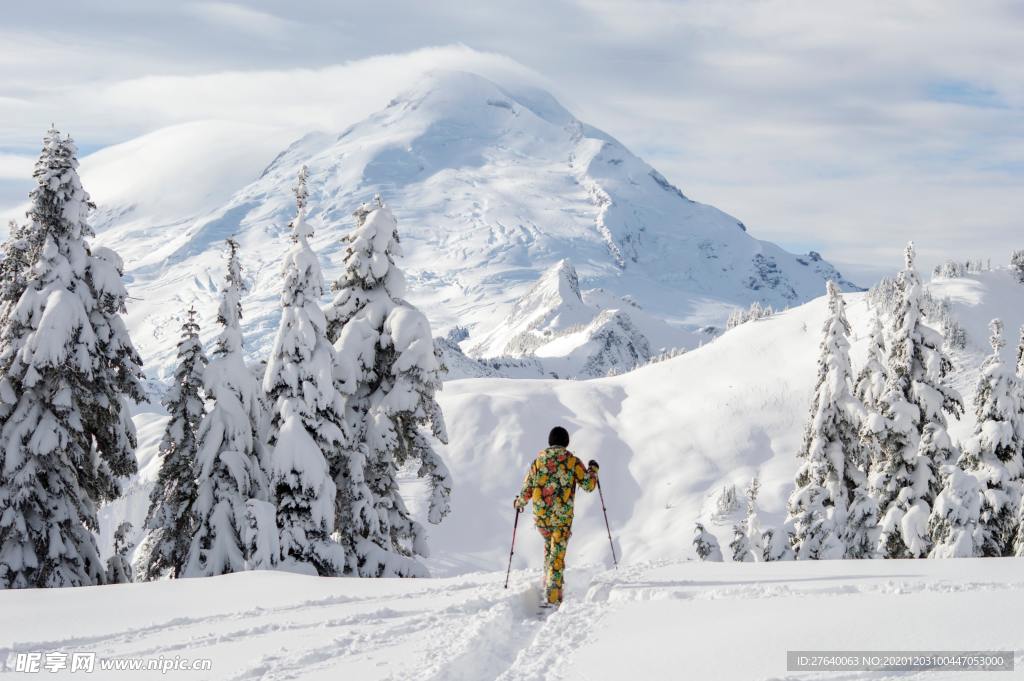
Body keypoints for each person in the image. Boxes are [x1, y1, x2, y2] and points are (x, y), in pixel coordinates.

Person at [513, 426, 599, 607]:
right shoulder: (572, 461)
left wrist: (518, 503)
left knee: (550, 547)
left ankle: (548, 580)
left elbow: (527, 489)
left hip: (541, 517)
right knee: (557, 555)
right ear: (566, 442)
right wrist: (593, 469)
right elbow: (589, 485)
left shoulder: (538, 462)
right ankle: (553, 596)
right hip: (562, 517)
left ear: (550, 442)